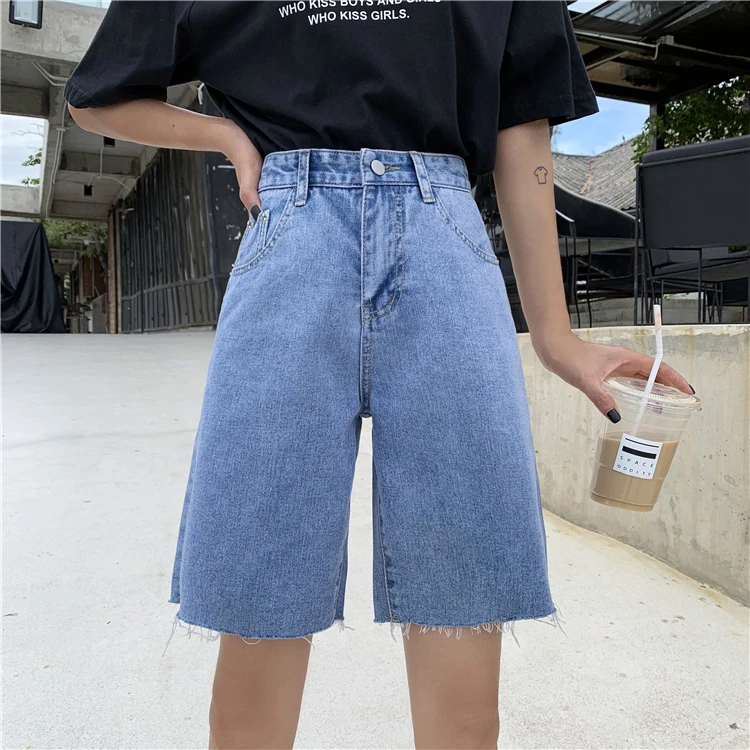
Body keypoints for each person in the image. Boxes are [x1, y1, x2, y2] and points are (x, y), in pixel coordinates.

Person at [65, 2, 693, 748]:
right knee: (256, 618)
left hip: (445, 247)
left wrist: (557, 340)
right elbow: (96, 95)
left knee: (465, 634)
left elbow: (522, 125)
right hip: (292, 239)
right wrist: (227, 136)